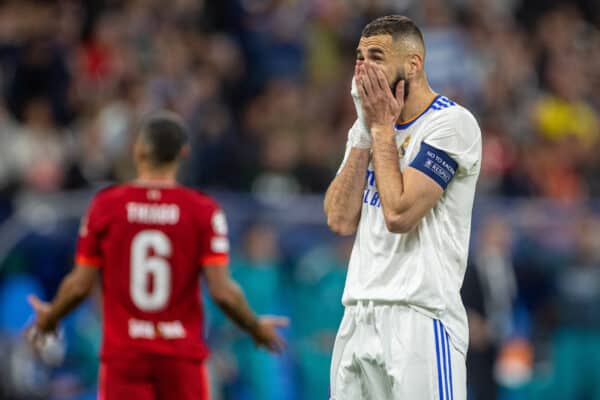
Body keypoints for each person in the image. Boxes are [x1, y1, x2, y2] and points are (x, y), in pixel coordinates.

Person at [25, 111, 288, 400]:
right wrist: (254, 326)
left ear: (139, 151)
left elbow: (79, 284)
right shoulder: (202, 211)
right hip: (180, 360)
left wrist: (51, 316)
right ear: (183, 153)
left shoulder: (106, 207)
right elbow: (222, 291)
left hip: (125, 359)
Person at [324, 15, 482, 400]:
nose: (362, 67)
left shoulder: (451, 124)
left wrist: (379, 128)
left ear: (414, 64)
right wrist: (365, 129)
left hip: (419, 318)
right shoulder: (368, 127)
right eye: (359, 57)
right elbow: (340, 219)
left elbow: (399, 214)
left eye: (376, 56)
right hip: (358, 314)